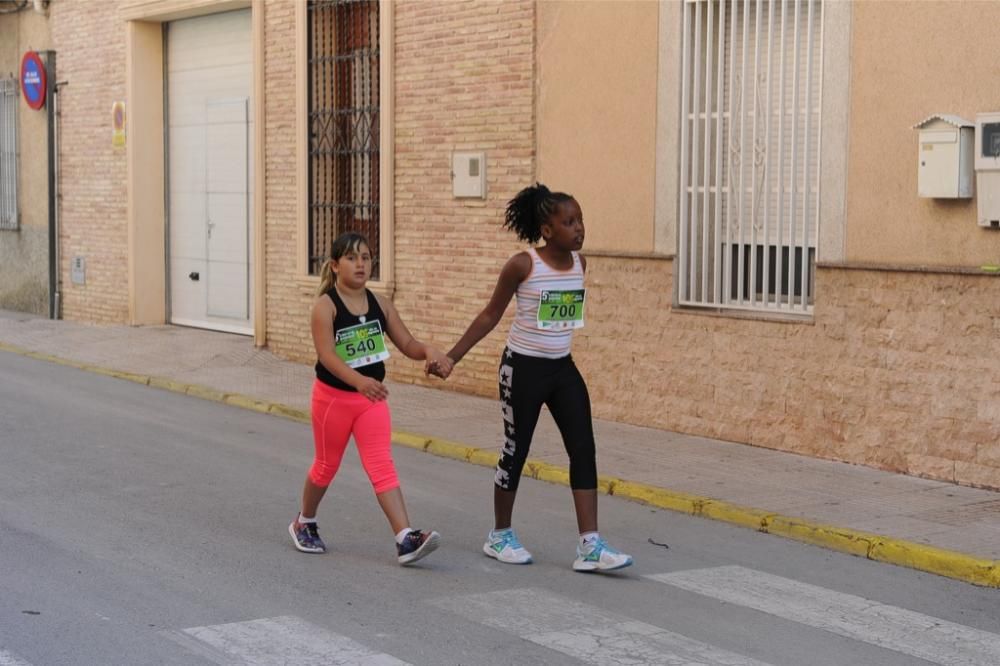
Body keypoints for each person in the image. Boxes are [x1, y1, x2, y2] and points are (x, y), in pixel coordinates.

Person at [432, 184, 633, 573]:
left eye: (581, 220)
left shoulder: (580, 265)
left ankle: (589, 545)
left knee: (583, 448)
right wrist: (452, 358)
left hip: (562, 368)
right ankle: (500, 535)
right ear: (546, 229)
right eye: (569, 222)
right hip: (522, 369)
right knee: (516, 448)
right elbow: (491, 315)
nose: (579, 229)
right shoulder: (523, 265)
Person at [289, 231, 453, 565]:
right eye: (352, 258)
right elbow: (327, 356)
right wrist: (359, 381)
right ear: (336, 266)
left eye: (366, 257)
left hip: (371, 399)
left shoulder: (380, 303)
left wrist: (428, 352)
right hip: (333, 399)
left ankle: (405, 538)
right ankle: (304, 521)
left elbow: (407, 343)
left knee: (381, 464)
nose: (361, 264)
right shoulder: (325, 307)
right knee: (325, 466)